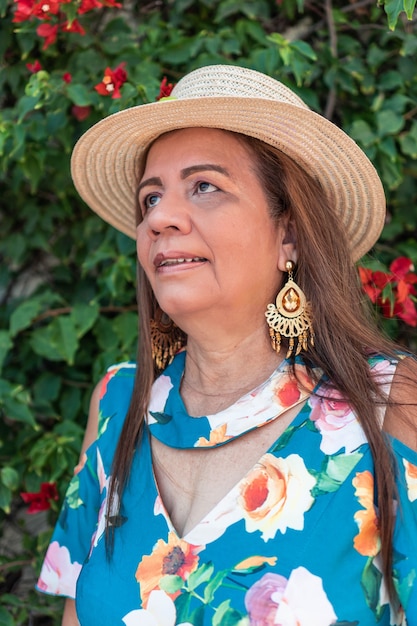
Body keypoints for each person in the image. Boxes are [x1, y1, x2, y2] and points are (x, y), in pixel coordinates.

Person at [36, 65, 417, 626]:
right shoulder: (118, 404)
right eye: (149, 199)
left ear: (288, 232)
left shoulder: (388, 402)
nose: (160, 217)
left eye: (205, 186)